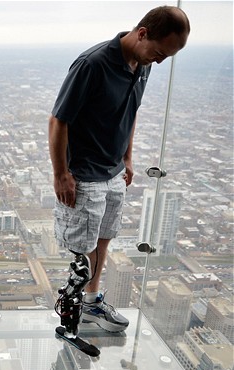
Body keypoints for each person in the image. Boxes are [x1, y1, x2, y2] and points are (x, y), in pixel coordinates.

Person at [49, 6, 190, 332]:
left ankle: (92, 302)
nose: (159, 61)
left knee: (104, 239)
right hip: (84, 173)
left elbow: (131, 110)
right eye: (158, 52)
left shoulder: (142, 64)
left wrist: (127, 157)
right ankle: (73, 314)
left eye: (166, 56)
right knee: (82, 250)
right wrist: (61, 174)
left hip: (113, 170)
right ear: (142, 33)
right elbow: (58, 119)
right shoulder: (93, 64)